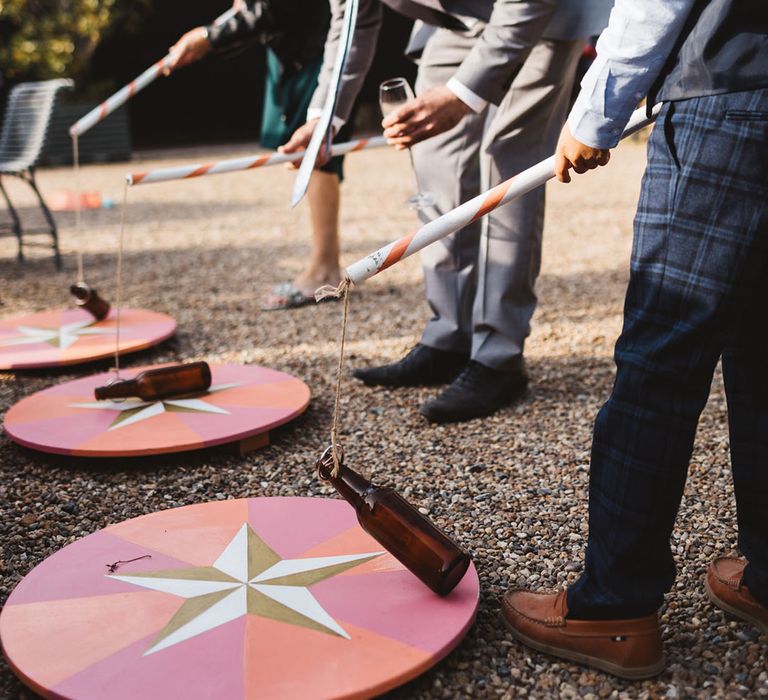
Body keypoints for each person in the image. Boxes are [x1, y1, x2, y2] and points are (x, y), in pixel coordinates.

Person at [502, 0, 768, 679]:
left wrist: (596, 112)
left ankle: (611, 607)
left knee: (660, 360)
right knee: (761, 350)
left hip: (731, 92)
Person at [283, 0, 612, 423]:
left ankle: (498, 355)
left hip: (540, 14)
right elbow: (350, 21)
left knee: (508, 159)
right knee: (435, 155)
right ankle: (448, 337)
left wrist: (462, 94)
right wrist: (324, 118)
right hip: (457, 21)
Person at [165, 1, 350, 309]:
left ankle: (324, 268)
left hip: (317, 50)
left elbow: (271, 8)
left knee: (316, 155)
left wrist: (210, 37)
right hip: (297, 49)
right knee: (312, 153)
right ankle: (325, 263)